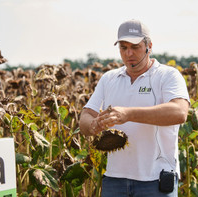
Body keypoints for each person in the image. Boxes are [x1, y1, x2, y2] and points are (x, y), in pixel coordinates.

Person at [79, 19, 190, 197]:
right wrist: (93, 125)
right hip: (114, 180)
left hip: (156, 180)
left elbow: (179, 112)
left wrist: (128, 114)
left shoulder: (167, 76)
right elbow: (86, 114)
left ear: (149, 46)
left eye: (135, 47)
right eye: (123, 47)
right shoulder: (109, 79)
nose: (129, 53)